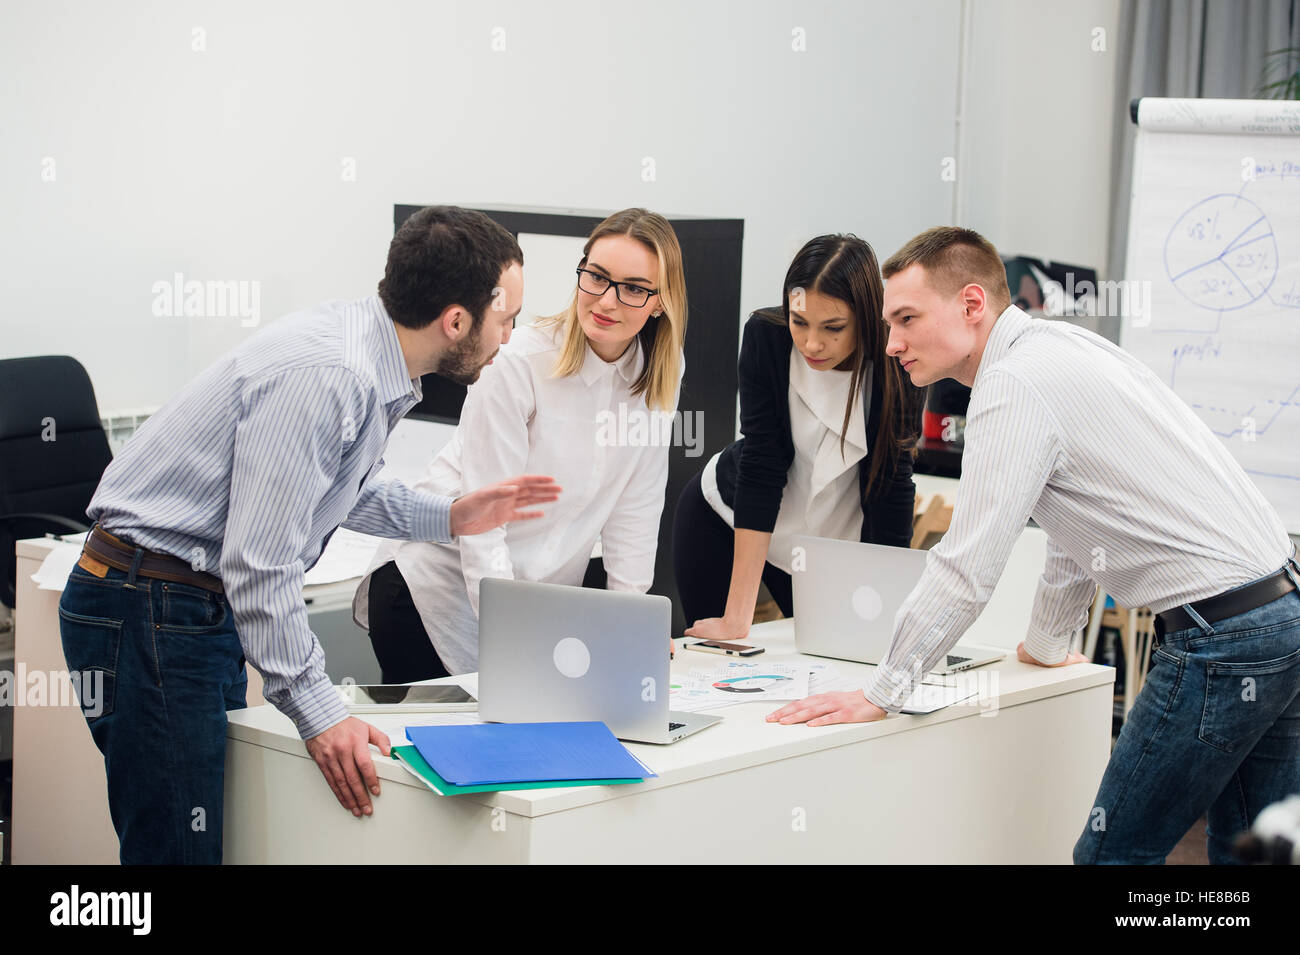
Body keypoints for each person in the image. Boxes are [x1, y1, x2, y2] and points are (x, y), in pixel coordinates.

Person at [768, 225, 1300, 866]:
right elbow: (1080, 527)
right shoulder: (1061, 350)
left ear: (971, 305)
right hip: (1280, 614)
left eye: (907, 319)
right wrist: (1048, 644)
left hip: (1224, 636)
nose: (892, 343)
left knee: (1112, 857)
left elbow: (967, 566)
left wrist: (884, 690)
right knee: (1251, 856)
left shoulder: (1015, 382)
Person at [58, 205, 561, 864]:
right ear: (457, 320)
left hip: (177, 607)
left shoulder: (366, 351)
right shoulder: (333, 375)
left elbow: (335, 488)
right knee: (176, 852)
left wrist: (450, 515)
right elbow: (259, 565)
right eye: (507, 317)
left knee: (196, 838)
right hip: (151, 603)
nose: (512, 333)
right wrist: (320, 711)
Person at [355, 207, 688, 678]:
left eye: (634, 288)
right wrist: (512, 634)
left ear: (661, 301)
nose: (607, 301)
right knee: (448, 748)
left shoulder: (659, 373)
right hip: (433, 592)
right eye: (596, 277)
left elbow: (637, 505)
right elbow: (484, 522)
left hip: (531, 609)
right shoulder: (520, 362)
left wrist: (629, 624)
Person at [673, 234, 923, 640]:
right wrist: (737, 618)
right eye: (799, 321)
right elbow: (761, 466)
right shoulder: (766, 337)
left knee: (842, 654)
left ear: (866, 318)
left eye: (834, 327)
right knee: (713, 663)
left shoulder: (898, 363)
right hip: (728, 516)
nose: (812, 343)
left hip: (824, 549)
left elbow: (891, 488)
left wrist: (887, 614)